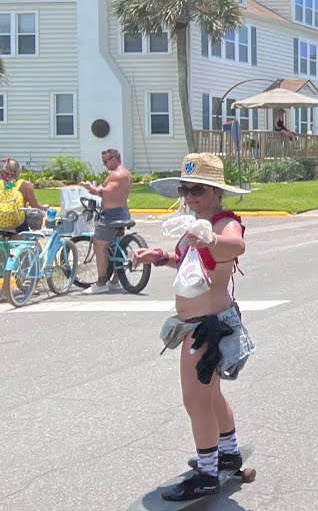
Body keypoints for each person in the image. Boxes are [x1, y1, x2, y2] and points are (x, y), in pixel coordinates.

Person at [135, 154, 254, 501]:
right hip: (196, 325)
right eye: (185, 189)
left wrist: (212, 241)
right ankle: (227, 453)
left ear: (217, 192)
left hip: (208, 327)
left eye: (197, 189)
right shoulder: (197, 223)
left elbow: (237, 245)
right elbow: (188, 265)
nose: (190, 196)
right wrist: (157, 257)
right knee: (211, 395)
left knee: (195, 400)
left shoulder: (222, 223)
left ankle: (206, 475)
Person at [79, 149, 132, 293]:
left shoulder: (118, 175)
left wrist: (92, 189)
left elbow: (107, 192)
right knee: (116, 246)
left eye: (105, 161)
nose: (104, 165)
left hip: (112, 215)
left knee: (99, 245)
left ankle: (101, 282)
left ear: (114, 159)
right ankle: (115, 281)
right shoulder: (124, 173)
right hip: (121, 211)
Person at [0, 158, 47, 233]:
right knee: (31, 243)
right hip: (18, 226)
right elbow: (35, 207)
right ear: (18, 171)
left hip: (1, 223)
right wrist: (45, 207)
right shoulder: (26, 185)